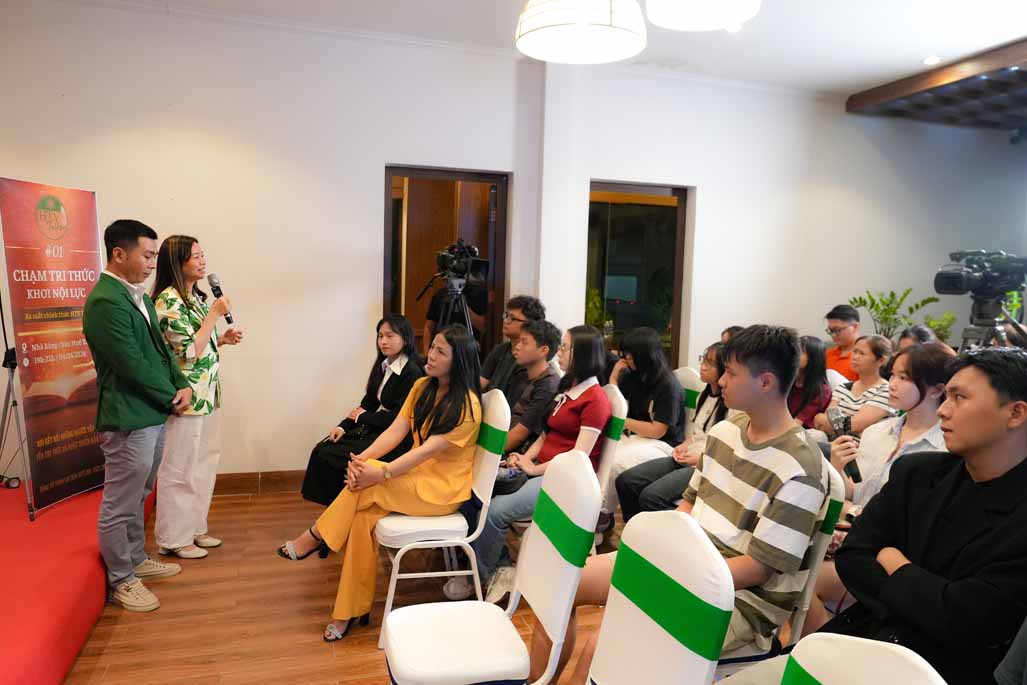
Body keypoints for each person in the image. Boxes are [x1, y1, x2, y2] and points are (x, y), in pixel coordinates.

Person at [530, 325, 828, 683]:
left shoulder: (800, 468)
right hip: (688, 564)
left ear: (766, 382)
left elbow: (759, 570)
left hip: (736, 597)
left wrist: (676, 571)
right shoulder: (727, 431)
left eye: (731, 373)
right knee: (564, 581)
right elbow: (689, 504)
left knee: (604, 644)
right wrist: (664, 553)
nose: (720, 381)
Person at [723, 347, 1027, 685]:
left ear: (1015, 413)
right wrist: (927, 597)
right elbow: (854, 556)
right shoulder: (919, 473)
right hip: (863, 639)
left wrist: (896, 563)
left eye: (960, 398)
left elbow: (968, 621)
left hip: (935, 672)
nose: (943, 409)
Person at [277, 324, 482, 642]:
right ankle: (348, 611)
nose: (430, 354)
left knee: (370, 480)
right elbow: (397, 430)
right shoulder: (423, 386)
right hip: (415, 478)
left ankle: (316, 536)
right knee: (361, 519)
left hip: (442, 490)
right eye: (432, 347)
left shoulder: (468, 407)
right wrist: (362, 460)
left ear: (460, 361)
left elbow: (425, 452)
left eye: (441, 351)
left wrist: (379, 473)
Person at [802, 342, 953, 635]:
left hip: (883, 554)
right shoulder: (876, 432)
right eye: (892, 375)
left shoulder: (943, 450)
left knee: (804, 581)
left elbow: (908, 524)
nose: (892, 384)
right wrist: (838, 469)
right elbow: (856, 491)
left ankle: (824, 645)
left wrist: (853, 511)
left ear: (936, 390)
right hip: (850, 537)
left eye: (904, 378)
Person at [83, 220, 193, 612]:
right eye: (147, 255)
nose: (152, 263)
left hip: (151, 411)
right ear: (119, 253)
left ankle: (134, 558)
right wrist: (170, 395)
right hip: (128, 416)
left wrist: (181, 382)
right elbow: (130, 363)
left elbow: (161, 351)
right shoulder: (104, 301)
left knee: (141, 494)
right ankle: (121, 580)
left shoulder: (138, 296)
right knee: (120, 502)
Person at [460, 325, 612, 603]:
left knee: (495, 513)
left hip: (566, 481)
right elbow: (546, 434)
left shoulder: (596, 400)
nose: (560, 353)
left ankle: (485, 575)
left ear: (584, 354)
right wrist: (525, 459)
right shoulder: (568, 388)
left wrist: (533, 468)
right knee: (471, 492)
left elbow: (577, 458)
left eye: (566, 348)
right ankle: (497, 566)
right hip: (543, 469)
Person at [150, 235, 244, 560]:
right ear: (178, 262)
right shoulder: (168, 301)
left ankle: (193, 528)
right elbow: (188, 351)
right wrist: (214, 315)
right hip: (185, 398)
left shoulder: (195, 298)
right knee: (180, 467)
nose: (203, 261)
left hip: (208, 394)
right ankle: (173, 538)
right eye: (196, 256)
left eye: (203, 255)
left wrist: (222, 338)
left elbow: (201, 343)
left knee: (204, 463)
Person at [300, 315, 424, 506]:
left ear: (405, 338)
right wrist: (343, 426)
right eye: (380, 336)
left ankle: (341, 510)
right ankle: (337, 510)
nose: (383, 341)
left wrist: (362, 417)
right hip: (379, 429)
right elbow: (368, 402)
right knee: (323, 448)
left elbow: (395, 419)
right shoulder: (384, 365)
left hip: (396, 440)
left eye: (390, 336)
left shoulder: (412, 372)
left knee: (329, 456)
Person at [614, 341, 733, 523]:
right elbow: (697, 434)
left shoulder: (731, 405)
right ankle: (635, 532)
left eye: (710, 364)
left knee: (650, 497)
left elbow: (725, 449)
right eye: (703, 360)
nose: (702, 367)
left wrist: (698, 458)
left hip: (703, 464)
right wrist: (684, 445)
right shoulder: (704, 395)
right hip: (686, 455)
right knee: (625, 481)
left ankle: (662, 534)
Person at [598, 327, 683, 533]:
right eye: (625, 354)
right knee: (601, 452)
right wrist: (613, 378)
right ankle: (599, 511)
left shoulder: (667, 385)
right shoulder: (634, 375)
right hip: (637, 437)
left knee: (615, 462)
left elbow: (658, 430)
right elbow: (615, 403)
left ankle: (602, 514)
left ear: (645, 355)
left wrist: (622, 421)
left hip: (663, 444)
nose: (626, 359)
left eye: (630, 355)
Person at [813, 335, 892, 437]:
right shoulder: (843, 388)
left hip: (859, 445)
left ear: (881, 361)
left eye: (862, 353)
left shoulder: (886, 391)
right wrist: (821, 419)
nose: (855, 357)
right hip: (833, 442)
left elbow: (852, 425)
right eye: (854, 351)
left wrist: (820, 418)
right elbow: (827, 419)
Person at [502, 319, 561, 453]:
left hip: (520, 454)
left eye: (524, 342)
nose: (517, 346)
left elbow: (520, 434)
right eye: (519, 341)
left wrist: (488, 453)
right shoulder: (521, 374)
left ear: (543, 350)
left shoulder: (548, 385)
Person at [479, 295, 546, 395]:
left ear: (530, 324)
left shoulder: (532, 357)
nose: (506, 321)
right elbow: (480, 383)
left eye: (512, 318)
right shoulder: (499, 350)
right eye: (506, 316)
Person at [423, 278, 488, 356]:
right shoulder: (440, 295)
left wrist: (464, 307)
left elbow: (484, 327)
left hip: (467, 352)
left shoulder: (478, 293)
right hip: (442, 350)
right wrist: (426, 354)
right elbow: (429, 327)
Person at [789, 335, 832, 429]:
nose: (795, 354)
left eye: (801, 351)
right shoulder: (790, 382)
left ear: (813, 358)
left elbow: (797, 423)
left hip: (804, 431)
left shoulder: (822, 391)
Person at [824, 305, 861, 381]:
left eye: (838, 330)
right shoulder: (827, 355)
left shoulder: (864, 357)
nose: (833, 335)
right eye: (831, 331)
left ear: (855, 327)